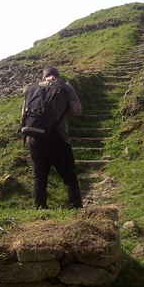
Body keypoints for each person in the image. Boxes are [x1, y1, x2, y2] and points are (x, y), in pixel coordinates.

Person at [22, 66, 83, 209]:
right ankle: (76, 209)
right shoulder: (65, 86)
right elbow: (77, 110)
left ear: (44, 77)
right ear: (57, 76)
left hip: (35, 138)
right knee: (69, 176)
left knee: (39, 177)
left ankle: (40, 209)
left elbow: (23, 115)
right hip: (58, 138)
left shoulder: (32, 89)